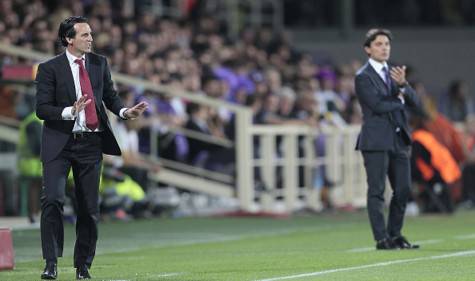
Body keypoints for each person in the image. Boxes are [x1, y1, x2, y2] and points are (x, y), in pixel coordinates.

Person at [35, 16, 147, 280]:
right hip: (60, 143)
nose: (91, 39)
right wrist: (68, 111)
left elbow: (110, 95)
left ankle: (83, 265)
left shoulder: (99, 63)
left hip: (90, 144)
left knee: (89, 208)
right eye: (85, 35)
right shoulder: (49, 68)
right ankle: (50, 263)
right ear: (68, 39)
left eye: (91, 34)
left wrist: (124, 111)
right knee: (52, 200)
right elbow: (41, 109)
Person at [354, 28, 422, 250]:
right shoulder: (363, 76)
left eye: (387, 44)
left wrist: (403, 86)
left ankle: (395, 234)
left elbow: (416, 103)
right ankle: (381, 239)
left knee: (403, 189)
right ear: (368, 49)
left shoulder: (395, 73)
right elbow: (376, 106)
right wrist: (399, 101)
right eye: (379, 44)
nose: (384, 48)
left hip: (398, 139)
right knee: (377, 191)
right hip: (375, 140)